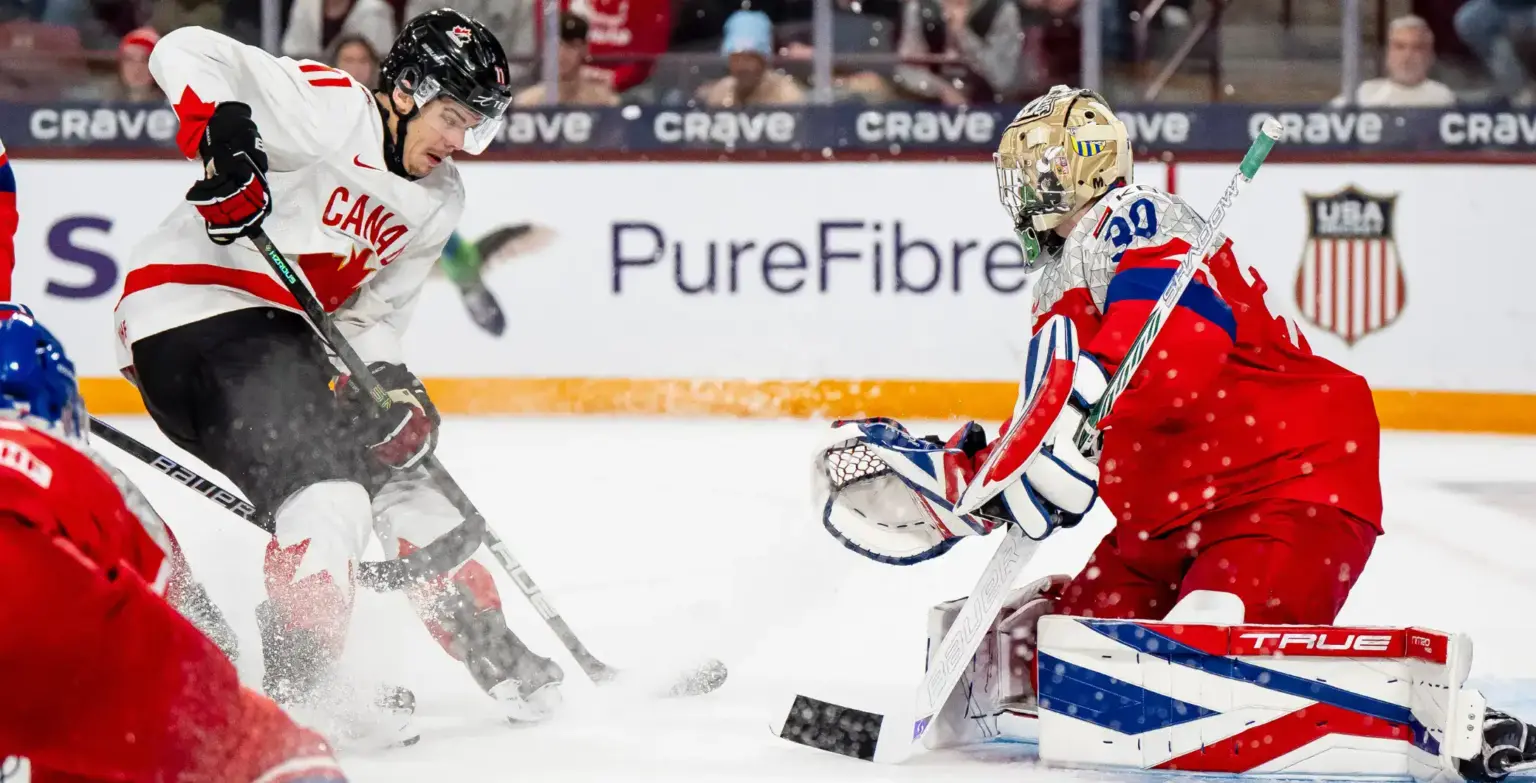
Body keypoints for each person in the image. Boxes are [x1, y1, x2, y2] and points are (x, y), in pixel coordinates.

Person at [813, 85, 1536, 780]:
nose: (1021, 188)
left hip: (1284, 486)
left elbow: (1179, 342)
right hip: (1161, 526)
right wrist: (976, 477)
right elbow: (1060, 408)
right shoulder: (1061, 277)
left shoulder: (1136, 214)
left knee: (1189, 670)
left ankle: (1444, 718)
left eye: (1036, 168)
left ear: (1083, 165)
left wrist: (1087, 396)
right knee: (1059, 668)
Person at [112, 9, 565, 745]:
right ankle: (304, 682)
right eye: (453, 118)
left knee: (404, 476)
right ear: (409, 90)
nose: (460, 143)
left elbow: (364, 318)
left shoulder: (439, 198)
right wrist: (224, 136)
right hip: (188, 315)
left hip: (288, 340)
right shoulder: (329, 107)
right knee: (325, 489)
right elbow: (184, 48)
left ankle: (487, 645)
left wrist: (390, 388)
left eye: (476, 127)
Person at [0, 302, 348, 783]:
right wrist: (222, 681)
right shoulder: (78, 471)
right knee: (259, 746)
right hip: (43, 623)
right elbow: (160, 588)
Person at [1334, 15, 1456, 107]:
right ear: (1387, 54)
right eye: (1400, 47)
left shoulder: (1445, 99)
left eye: (1417, 48)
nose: (1408, 56)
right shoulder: (1363, 95)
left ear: (1430, 56)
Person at [696, 10, 806, 108]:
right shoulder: (720, 93)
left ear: (764, 60)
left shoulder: (787, 95)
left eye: (749, 58)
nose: (742, 66)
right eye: (736, 58)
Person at [513, 11, 619, 107]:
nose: (562, 54)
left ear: (584, 48)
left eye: (571, 46)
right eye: (556, 45)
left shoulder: (604, 102)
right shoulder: (528, 104)